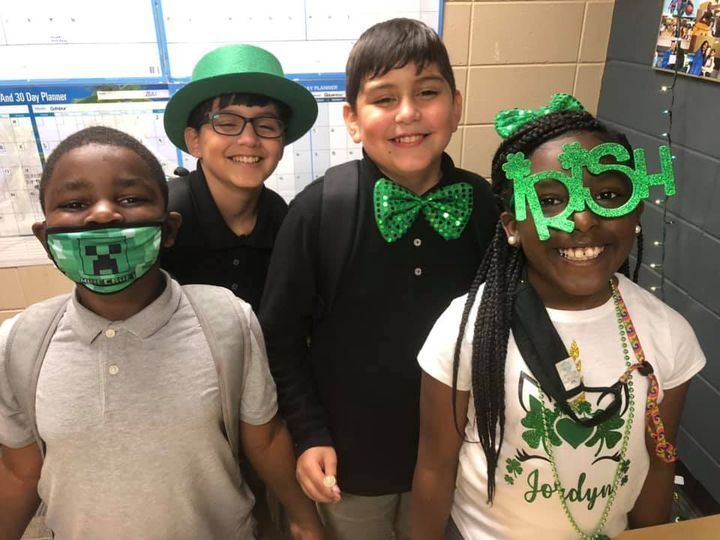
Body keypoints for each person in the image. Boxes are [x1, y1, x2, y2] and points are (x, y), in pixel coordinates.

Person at [0, 126, 323, 539]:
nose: (103, 214)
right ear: (46, 239)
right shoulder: (22, 341)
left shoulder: (225, 320)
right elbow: (19, 469)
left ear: (169, 230)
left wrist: (303, 517)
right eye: (76, 202)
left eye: (130, 199)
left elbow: (264, 436)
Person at [411, 95, 706, 539]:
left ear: (635, 211)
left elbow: (658, 465)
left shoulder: (667, 335)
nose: (583, 219)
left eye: (607, 195)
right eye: (549, 200)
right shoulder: (466, 329)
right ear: (511, 226)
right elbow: (435, 465)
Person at [259, 17, 498, 540]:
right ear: (351, 119)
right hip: (348, 463)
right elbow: (278, 337)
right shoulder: (319, 211)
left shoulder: (485, 208)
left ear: (455, 107)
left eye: (427, 93)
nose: (408, 113)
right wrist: (308, 432)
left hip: (460, 453)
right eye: (384, 98)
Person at [160, 44, 318, 312]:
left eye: (266, 125)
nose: (249, 139)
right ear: (194, 140)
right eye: (227, 123)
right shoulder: (166, 218)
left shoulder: (279, 216)